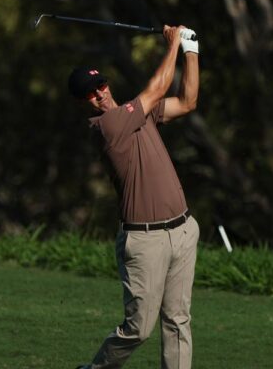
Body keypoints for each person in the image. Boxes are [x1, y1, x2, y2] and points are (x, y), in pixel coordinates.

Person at [70, 25, 200, 369]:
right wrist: (173, 44)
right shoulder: (107, 127)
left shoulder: (137, 112)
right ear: (84, 102)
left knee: (178, 321)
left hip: (183, 230)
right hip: (144, 240)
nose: (99, 94)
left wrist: (192, 50)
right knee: (139, 328)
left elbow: (188, 101)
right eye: (90, 93)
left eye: (101, 85)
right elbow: (157, 88)